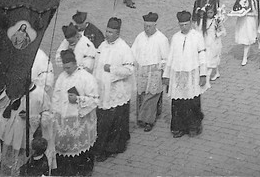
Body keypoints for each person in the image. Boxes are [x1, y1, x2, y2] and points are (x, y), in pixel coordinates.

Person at [51, 49, 99, 175]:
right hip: (63, 122)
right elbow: (56, 97)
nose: (66, 70)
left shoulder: (87, 78)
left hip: (80, 122)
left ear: (75, 63)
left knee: (79, 154)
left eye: (69, 67)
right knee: (64, 153)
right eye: (64, 67)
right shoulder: (62, 77)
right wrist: (55, 114)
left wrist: (78, 99)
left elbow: (94, 100)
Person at [93, 17, 135, 162]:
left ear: (117, 33)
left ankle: (110, 148)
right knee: (102, 120)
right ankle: (101, 147)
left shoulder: (124, 48)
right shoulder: (102, 46)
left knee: (112, 122)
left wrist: (111, 69)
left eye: (111, 32)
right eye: (106, 31)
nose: (107, 34)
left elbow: (129, 69)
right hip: (102, 90)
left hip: (116, 92)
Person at [163, 11, 207, 138]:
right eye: (181, 25)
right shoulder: (175, 37)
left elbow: (202, 56)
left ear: (191, 23)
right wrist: (166, 74)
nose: (184, 27)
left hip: (192, 74)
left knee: (192, 102)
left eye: (186, 24)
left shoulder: (197, 37)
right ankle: (178, 127)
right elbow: (170, 57)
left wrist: (203, 74)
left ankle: (194, 126)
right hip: (178, 74)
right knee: (178, 102)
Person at [131, 12, 170, 132]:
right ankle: (142, 117)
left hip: (155, 70)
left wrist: (163, 70)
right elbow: (133, 52)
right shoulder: (140, 37)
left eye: (149, 26)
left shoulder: (161, 39)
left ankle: (148, 121)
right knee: (141, 94)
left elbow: (166, 57)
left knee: (151, 95)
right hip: (141, 69)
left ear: (155, 25)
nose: (147, 29)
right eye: (145, 26)